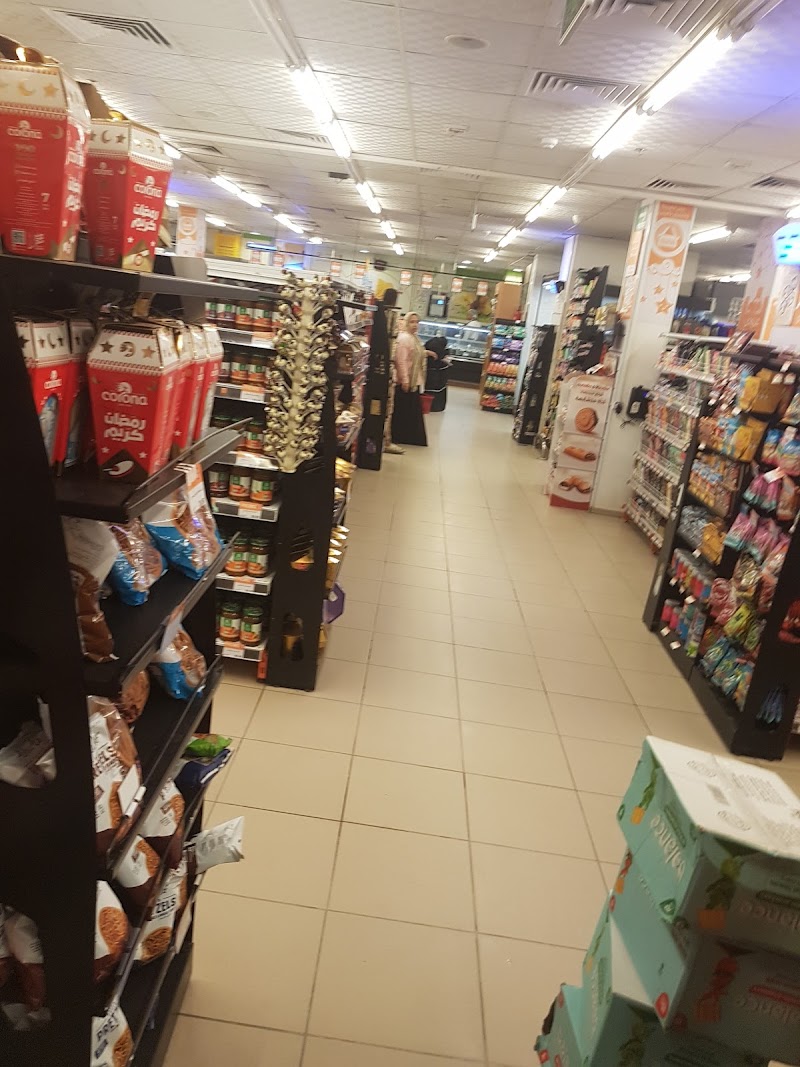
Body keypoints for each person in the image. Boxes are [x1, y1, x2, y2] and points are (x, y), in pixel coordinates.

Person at [391, 312, 427, 446]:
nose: (415, 325)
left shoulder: (414, 338)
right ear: (406, 323)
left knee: (410, 410)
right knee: (405, 411)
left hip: (413, 380)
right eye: (412, 322)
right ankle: (403, 437)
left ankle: (407, 437)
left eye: (417, 322)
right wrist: (405, 380)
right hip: (406, 382)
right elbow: (401, 361)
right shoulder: (405, 339)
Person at [424, 335, 450, 412]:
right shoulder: (441, 351)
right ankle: (436, 406)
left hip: (429, 372)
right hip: (438, 373)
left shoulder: (431, 345)